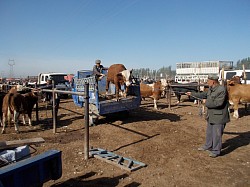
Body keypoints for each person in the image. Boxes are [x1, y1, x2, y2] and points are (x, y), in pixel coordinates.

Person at [186, 75, 230, 158]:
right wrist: (192, 94)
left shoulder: (221, 90)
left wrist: (206, 102)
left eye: (208, 81)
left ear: (213, 81)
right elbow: (203, 94)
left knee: (217, 134)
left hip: (219, 116)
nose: (207, 82)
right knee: (209, 132)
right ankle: (208, 145)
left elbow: (218, 103)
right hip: (211, 116)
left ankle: (216, 151)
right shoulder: (211, 89)